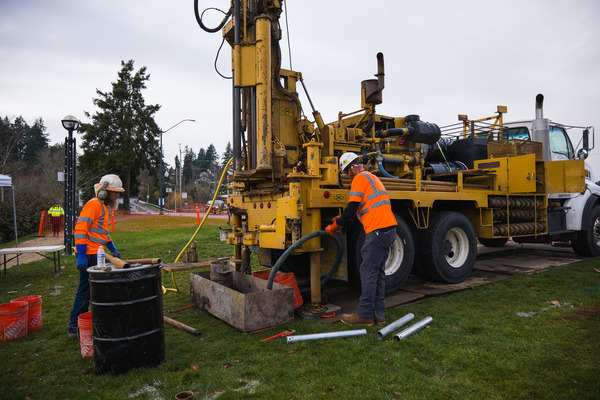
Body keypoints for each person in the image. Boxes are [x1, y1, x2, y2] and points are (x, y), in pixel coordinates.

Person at [325, 153, 397, 326]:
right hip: (388, 229)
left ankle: (364, 315)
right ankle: (378, 315)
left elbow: (352, 206)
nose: (348, 176)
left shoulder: (359, 178)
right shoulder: (371, 178)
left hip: (377, 231)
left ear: (351, 168)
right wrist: (341, 218)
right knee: (378, 273)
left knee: (369, 272)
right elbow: (361, 208)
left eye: (346, 172)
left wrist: (336, 226)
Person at [67, 174, 124, 338]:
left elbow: (102, 233)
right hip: (89, 255)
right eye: (115, 192)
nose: (118, 196)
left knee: (95, 290)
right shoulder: (93, 205)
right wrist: (82, 256)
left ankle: (91, 321)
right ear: (104, 192)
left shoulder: (104, 208)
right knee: (85, 290)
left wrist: (112, 248)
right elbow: (80, 230)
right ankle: (74, 327)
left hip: (97, 254)